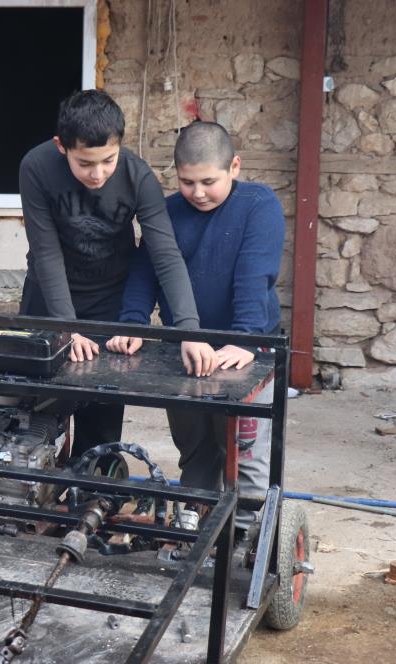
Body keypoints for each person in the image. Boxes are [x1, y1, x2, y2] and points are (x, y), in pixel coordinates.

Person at [108, 120, 285, 533]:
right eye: (187, 182)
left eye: (209, 181)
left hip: (248, 348)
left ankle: (244, 530)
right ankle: (194, 520)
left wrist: (246, 338)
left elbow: (254, 274)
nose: (198, 193)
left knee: (243, 448)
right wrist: (133, 323)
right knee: (195, 444)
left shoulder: (259, 205)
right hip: (183, 350)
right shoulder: (167, 211)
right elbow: (144, 272)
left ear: (235, 167)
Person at [19, 90, 218, 457]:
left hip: (109, 301)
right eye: (85, 163)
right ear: (61, 146)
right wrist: (66, 326)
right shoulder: (36, 167)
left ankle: (90, 495)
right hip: (47, 300)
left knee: (101, 422)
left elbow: (165, 254)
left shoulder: (137, 176)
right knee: (33, 415)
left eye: (108, 160)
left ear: (120, 146)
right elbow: (46, 253)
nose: (97, 174)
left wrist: (190, 330)